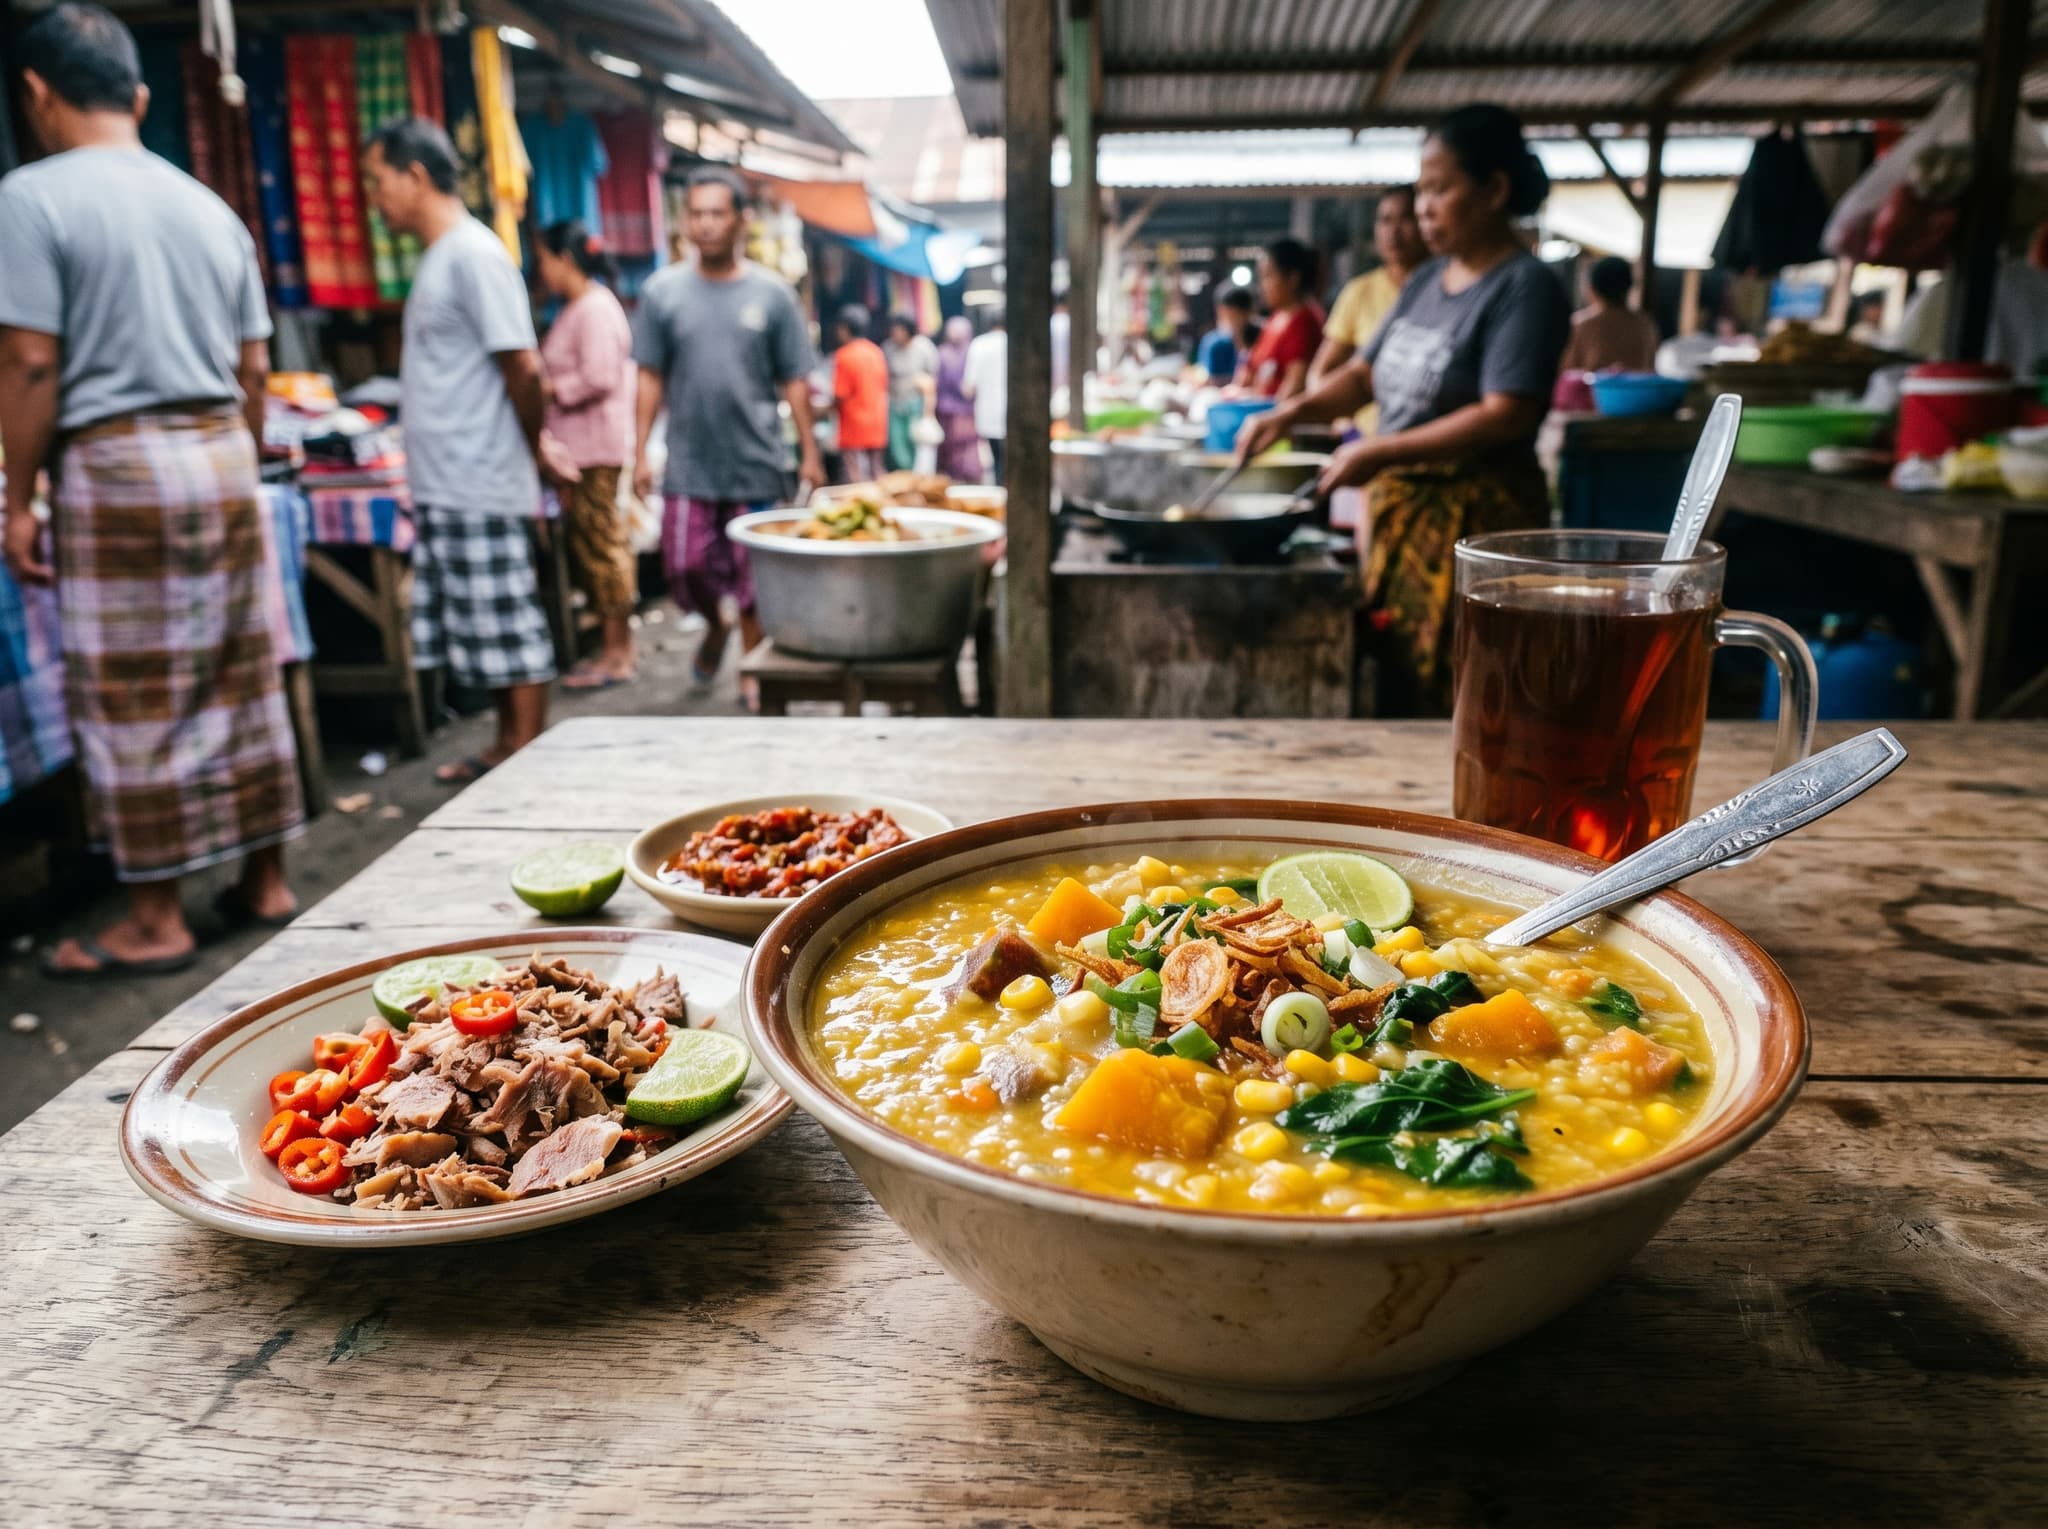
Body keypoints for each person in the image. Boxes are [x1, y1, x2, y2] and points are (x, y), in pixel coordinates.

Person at [0, 2, 303, 976]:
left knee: (134, 688)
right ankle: (265, 878)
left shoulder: (31, 198)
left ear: (35, 93)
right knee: (238, 670)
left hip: (118, 460)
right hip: (219, 448)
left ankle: (156, 916)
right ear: (136, 96)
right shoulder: (208, 205)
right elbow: (253, 367)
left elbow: (32, 364)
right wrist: (236, 458)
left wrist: (19, 495)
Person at [1237, 103, 1571, 715]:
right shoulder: (1424, 281)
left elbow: (1507, 413)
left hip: (1476, 526)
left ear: (1494, 189)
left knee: (1472, 686)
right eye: (1420, 189)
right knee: (1397, 676)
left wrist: (1377, 450)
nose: (1424, 207)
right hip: (1402, 514)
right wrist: (1287, 414)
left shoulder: (1524, 286)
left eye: (1440, 188)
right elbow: (1364, 375)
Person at [364, 117, 555, 784]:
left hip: (480, 473)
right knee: (487, 629)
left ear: (415, 176)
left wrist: (533, 451)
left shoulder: (474, 254)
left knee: (508, 629)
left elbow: (525, 371)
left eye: (377, 180)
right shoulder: (446, 256)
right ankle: (508, 747)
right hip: (453, 478)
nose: (374, 198)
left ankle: (527, 761)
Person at [632, 167, 821, 686]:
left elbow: (796, 380)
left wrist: (809, 451)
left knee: (753, 580)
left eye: (717, 213)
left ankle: (753, 677)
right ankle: (715, 630)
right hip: (689, 463)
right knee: (684, 570)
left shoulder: (775, 295)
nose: (706, 224)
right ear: (685, 221)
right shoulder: (661, 293)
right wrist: (639, 451)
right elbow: (648, 376)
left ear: (742, 219)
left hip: (756, 462)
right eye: (697, 213)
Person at [535, 219, 636, 690]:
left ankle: (618, 655)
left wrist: (547, 388)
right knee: (595, 546)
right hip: (582, 449)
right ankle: (611, 650)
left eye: (544, 259)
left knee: (602, 547)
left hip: (594, 449)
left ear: (565, 259)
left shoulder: (593, 308)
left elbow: (599, 376)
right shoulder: (578, 307)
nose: (542, 270)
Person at [1311, 184, 1426, 432]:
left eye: (1407, 218)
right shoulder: (1359, 292)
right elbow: (1321, 374)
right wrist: (1341, 418)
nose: (1394, 232)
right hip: (1369, 441)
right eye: (1385, 220)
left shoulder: (1449, 288)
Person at [1234, 237, 1324, 400]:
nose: (1262, 285)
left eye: (1268, 276)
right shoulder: (1276, 318)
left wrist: (1269, 417)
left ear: (1292, 279)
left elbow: (1295, 385)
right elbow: (1252, 368)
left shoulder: (1304, 322)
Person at [1560, 255, 1659, 374]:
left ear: (1591, 288)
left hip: (1594, 392)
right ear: (1628, 288)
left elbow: (1567, 371)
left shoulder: (1581, 324)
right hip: (1637, 392)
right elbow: (1651, 368)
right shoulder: (1645, 324)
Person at [829, 304, 889, 484]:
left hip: (853, 424)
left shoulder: (844, 355)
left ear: (844, 328)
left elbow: (841, 394)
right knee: (876, 470)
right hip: (877, 421)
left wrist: (825, 409)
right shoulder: (876, 352)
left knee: (854, 473)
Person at [883, 314, 936, 472]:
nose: (895, 334)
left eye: (899, 330)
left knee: (913, 440)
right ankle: (902, 474)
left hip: (915, 402)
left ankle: (913, 476)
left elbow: (932, 378)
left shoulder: (924, 347)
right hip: (895, 401)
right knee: (897, 442)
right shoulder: (889, 348)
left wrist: (929, 408)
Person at [933, 315, 982, 481]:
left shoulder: (972, 351)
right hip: (946, 408)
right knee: (949, 446)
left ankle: (968, 476)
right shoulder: (942, 353)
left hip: (966, 409)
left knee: (966, 445)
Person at [963, 308, 1008, 484]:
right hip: (1014, 413)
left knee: (997, 460)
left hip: (987, 413)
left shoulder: (979, 345)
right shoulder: (1017, 343)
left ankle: (1001, 493)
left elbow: (969, 387)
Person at [1195, 286, 1257, 385]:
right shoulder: (1213, 342)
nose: (1229, 320)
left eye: (1234, 315)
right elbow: (1203, 376)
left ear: (1249, 313)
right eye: (1223, 314)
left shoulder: (1262, 337)